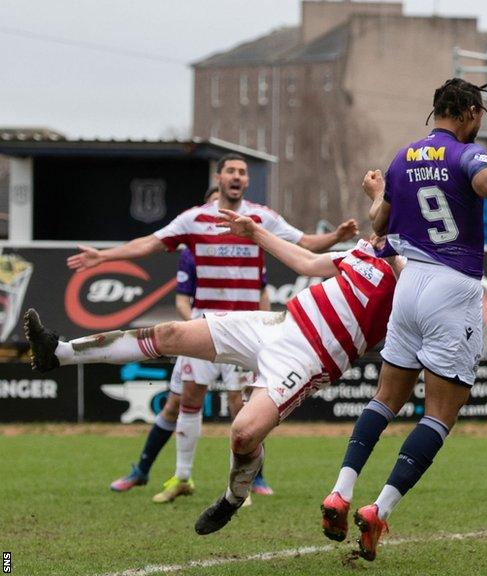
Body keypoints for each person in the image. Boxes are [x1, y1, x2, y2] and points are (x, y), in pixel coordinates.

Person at [24, 224, 399, 536]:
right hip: (278, 325)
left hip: (308, 359)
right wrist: (254, 232)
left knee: (243, 433)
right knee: (170, 333)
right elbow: (306, 260)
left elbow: (392, 235)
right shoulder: (360, 252)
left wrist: (389, 217)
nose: (379, 227)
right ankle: (59, 353)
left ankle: (233, 498)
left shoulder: (409, 273)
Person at [319, 78, 487, 561]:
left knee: (385, 399)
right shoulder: (465, 155)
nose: (481, 124)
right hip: (452, 287)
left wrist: (376, 191)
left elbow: (379, 225)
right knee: (439, 413)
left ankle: (340, 490)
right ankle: (378, 510)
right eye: (481, 115)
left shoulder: (402, 158)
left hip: (410, 283)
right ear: (468, 113)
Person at [68, 154, 357, 502]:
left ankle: (246, 482)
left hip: (247, 330)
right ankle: (182, 477)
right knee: (189, 397)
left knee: (243, 406)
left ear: (246, 181)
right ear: (219, 177)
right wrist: (102, 257)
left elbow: (306, 244)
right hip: (206, 326)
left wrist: (337, 237)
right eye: (231, 171)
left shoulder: (261, 217)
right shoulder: (193, 219)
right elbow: (149, 243)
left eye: (242, 172)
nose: (237, 176)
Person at [110, 188, 275, 501]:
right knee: (178, 402)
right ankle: (145, 470)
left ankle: (254, 478)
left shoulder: (250, 245)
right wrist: (194, 330)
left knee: (242, 406)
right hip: (203, 333)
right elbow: (183, 301)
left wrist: (263, 326)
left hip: (241, 334)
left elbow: (261, 291)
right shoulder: (193, 250)